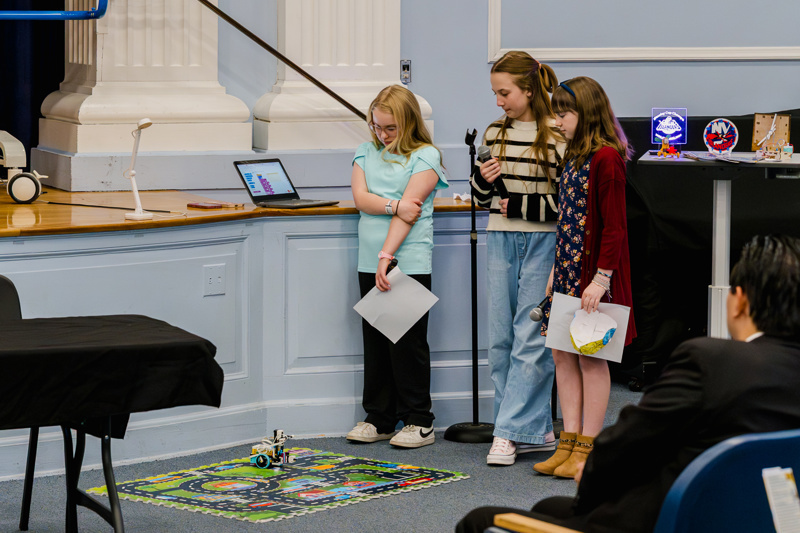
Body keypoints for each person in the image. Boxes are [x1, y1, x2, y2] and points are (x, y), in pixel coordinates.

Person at [456, 234, 800, 533]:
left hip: (665, 520)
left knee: (480, 520)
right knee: (550, 508)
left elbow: (625, 443)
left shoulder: (711, 361)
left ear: (738, 300)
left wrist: (592, 477)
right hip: (754, 519)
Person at [533, 76, 637, 479]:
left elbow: (614, 227)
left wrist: (601, 279)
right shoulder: (573, 154)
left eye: (564, 113)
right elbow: (568, 221)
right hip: (568, 271)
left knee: (592, 359)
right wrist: (554, 274)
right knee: (562, 355)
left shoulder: (607, 158)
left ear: (587, 112)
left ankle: (589, 448)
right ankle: (568, 442)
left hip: (594, 276)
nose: (557, 121)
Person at [470, 50, 566, 466]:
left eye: (504, 92)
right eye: (495, 93)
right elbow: (483, 200)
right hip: (500, 239)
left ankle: (507, 434)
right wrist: (480, 181)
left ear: (528, 89)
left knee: (532, 338)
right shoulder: (494, 133)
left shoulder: (560, 134)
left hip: (544, 243)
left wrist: (523, 207)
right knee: (501, 339)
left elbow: (567, 203)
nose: (498, 101)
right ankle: (533, 430)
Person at [346, 85, 448, 449]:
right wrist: (392, 205)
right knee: (375, 341)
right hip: (369, 257)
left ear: (408, 123)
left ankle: (420, 420)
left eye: (391, 128)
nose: (383, 135)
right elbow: (363, 200)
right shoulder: (365, 151)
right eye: (377, 126)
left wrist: (387, 256)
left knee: (406, 343)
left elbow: (412, 210)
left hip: (406, 258)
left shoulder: (426, 156)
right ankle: (381, 417)